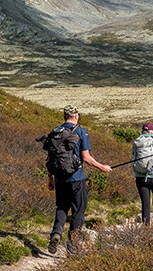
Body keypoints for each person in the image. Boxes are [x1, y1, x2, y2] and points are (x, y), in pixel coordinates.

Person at [47, 105, 111, 255]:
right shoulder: (81, 131)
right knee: (78, 211)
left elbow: (50, 158)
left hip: (59, 179)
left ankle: (56, 233)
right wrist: (102, 167)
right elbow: (86, 158)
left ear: (64, 116)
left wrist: (50, 178)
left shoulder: (55, 132)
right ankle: (72, 248)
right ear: (76, 116)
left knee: (62, 207)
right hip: (77, 178)